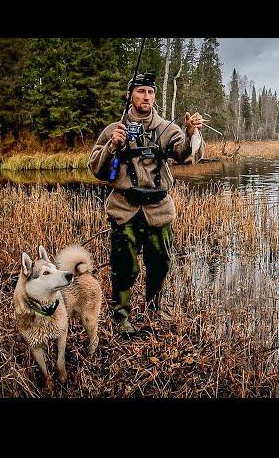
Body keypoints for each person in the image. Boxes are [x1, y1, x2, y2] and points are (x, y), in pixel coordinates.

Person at [88, 72, 205, 335]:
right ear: (130, 95)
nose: (146, 97)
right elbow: (96, 168)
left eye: (150, 92)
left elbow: (187, 155)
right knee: (123, 265)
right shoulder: (113, 129)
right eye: (141, 91)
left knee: (160, 262)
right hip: (125, 208)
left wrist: (191, 132)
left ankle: (154, 308)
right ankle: (121, 315)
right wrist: (112, 145)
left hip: (159, 209)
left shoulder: (167, 129)